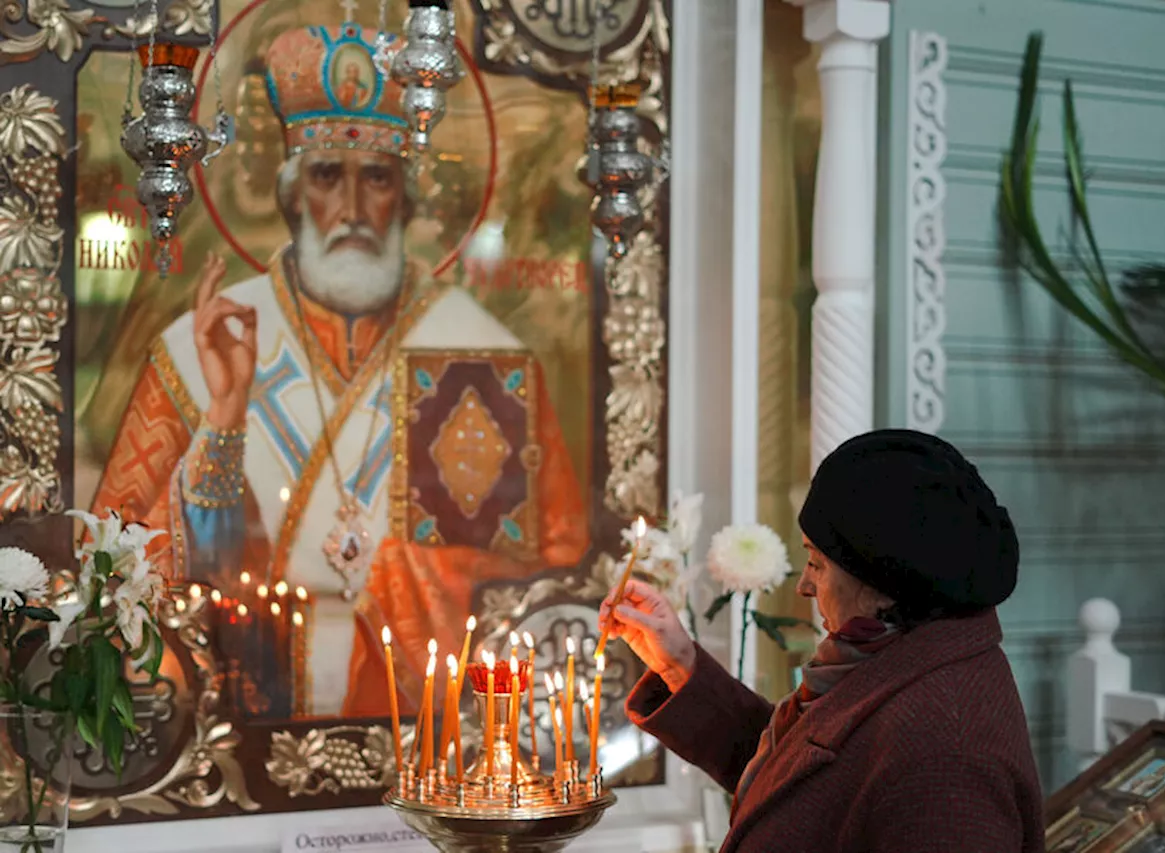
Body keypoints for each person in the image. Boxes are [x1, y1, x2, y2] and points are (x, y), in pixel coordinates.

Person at [91, 20, 588, 718]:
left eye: (377, 178)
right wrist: (225, 425)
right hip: (243, 711)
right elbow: (114, 562)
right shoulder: (197, 348)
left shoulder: (483, 350)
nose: (353, 209)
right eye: (328, 176)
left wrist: (411, 571)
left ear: (405, 199)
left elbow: (554, 561)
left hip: (426, 712)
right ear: (293, 197)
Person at [600, 430, 1045, 852]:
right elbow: (801, 787)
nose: (805, 587)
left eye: (817, 563)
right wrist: (679, 663)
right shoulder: (896, 655)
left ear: (881, 584)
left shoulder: (947, 753)